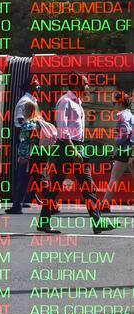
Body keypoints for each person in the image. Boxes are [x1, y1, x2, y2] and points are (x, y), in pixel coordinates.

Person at [37, 73, 116, 234]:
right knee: (55, 187)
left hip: (76, 147)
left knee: (88, 186)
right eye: (85, 84)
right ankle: (44, 222)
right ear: (77, 85)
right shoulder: (64, 102)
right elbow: (63, 129)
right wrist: (73, 150)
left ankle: (97, 221)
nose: (88, 87)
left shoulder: (77, 102)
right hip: (66, 148)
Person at [6, 101, 48, 215]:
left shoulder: (27, 124)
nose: (23, 112)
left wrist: (23, 156)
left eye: (24, 110)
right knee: (41, 179)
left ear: (27, 111)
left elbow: (24, 142)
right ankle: (51, 204)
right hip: (39, 156)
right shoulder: (41, 123)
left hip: (28, 158)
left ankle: (17, 206)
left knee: (22, 182)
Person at [12, 78, 43, 209]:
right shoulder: (25, 101)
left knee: (29, 175)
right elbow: (19, 120)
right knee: (31, 174)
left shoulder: (32, 101)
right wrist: (31, 125)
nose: (38, 88)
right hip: (29, 147)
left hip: (31, 147)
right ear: (29, 87)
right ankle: (21, 202)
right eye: (36, 86)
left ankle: (20, 202)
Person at [102, 92, 134, 212]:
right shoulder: (130, 115)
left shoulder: (121, 115)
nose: (113, 105)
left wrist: (117, 140)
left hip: (124, 149)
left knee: (114, 177)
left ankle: (105, 203)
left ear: (120, 103)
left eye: (114, 103)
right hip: (131, 149)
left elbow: (126, 131)